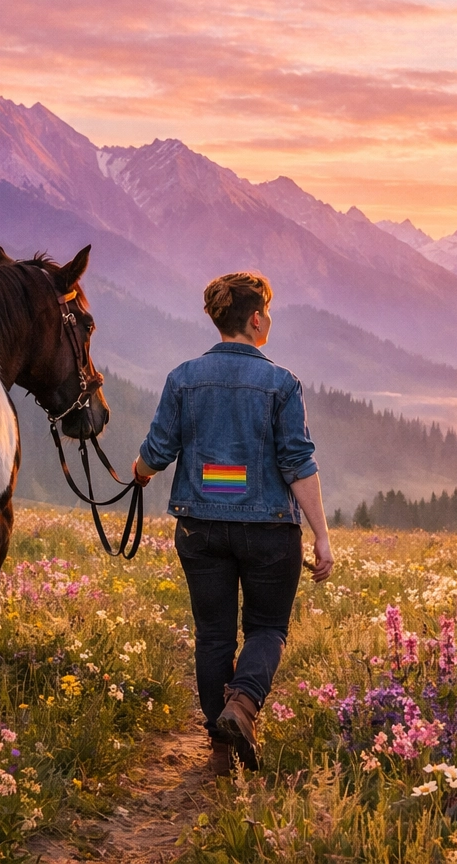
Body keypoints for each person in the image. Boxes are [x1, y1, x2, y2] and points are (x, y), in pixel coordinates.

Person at [131, 272, 334, 775]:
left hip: (200, 527)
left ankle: (220, 748)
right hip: (268, 530)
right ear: (256, 318)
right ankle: (242, 706)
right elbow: (297, 462)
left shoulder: (183, 378)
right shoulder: (282, 384)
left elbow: (159, 450)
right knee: (267, 626)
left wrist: (139, 472)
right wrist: (322, 534)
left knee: (213, 636)